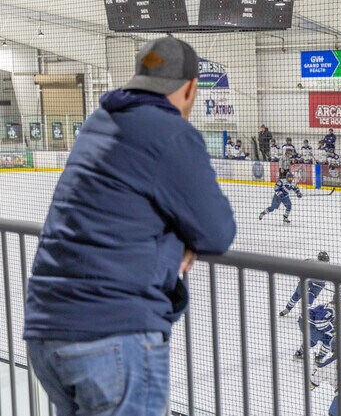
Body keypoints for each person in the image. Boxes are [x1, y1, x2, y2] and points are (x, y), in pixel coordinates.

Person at [23, 36, 237, 415]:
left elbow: (121, 200)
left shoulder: (99, 121)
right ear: (190, 87)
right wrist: (181, 238)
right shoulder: (170, 133)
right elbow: (216, 231)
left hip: (48, 330)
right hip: (111, 335)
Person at [294, 291, 341, 364]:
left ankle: (303, 354)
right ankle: (314, 357)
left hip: (308, 323)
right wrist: (334, 333)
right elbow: (320, 323)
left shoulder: (335, 311)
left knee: (320, 339)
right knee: (326, 340)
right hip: (308, 324)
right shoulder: (330, 309)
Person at [279, 251, 330, 317]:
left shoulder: (328, 268)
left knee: (310, 297)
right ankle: (287, 309)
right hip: (305, 282)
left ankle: (305, 313)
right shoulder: (310, 262)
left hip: (318, 285)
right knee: (297, 295)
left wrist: (319, 283)